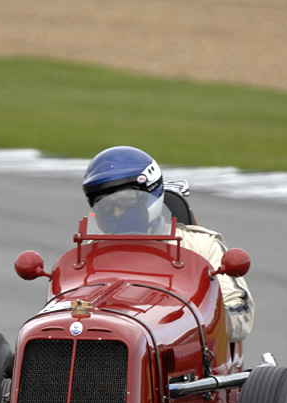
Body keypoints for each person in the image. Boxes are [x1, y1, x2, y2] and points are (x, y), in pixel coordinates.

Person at [82, 145, 254, 343]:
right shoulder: (90, 253)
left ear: (150, 195)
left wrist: (188, 323)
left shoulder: (200, 245)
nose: (117, 213)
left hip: (189, 357)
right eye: (105, 204)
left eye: (124, 201)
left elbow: (241, 314)